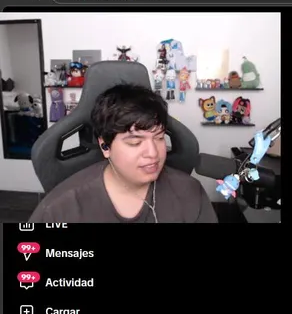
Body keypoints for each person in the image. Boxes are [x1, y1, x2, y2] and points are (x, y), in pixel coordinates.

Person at [28, 84, 217, 223]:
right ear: (105, 146)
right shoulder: (58, 209)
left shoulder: (190, 193)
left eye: (159, 138)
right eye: (135, 142)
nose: (153, 153)